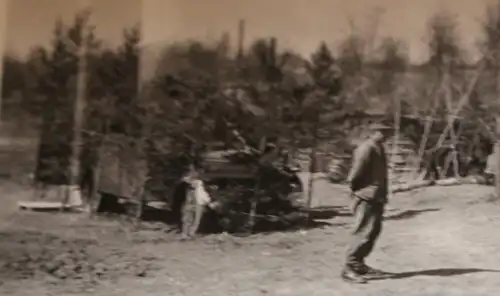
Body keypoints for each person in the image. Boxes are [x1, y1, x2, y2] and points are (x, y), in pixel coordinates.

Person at [341, 122, 394, 284]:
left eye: (388, 132)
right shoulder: (366, 148)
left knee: (373, 231)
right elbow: (356, 173)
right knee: (362, 231)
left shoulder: (379, 147)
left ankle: (359, 264)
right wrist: (357, 192)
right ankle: (349, 267)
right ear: (374, 132)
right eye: (383, 132)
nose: (387, 135)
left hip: (376, 195)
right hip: (366, 196)